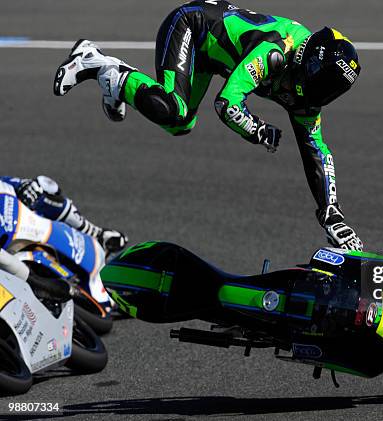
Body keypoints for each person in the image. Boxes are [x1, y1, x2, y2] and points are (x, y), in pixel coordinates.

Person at [53, 0, 363, 251]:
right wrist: (257, 130)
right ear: (310, 61)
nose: (321, 96)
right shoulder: (275, 51)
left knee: (181, 124)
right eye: (322, 83)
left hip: (210, 58)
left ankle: (118, 84)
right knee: (173, 109)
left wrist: (331, 212)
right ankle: (96, 63)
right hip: (191, 26)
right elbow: (227, 104)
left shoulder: (307, 92)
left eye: (332, 90)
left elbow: (316, 149)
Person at [0, 175, 128, 255]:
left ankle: (96, 234)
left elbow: (5, 182)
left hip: (14, 223)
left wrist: (22, 185)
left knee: (41, 189)